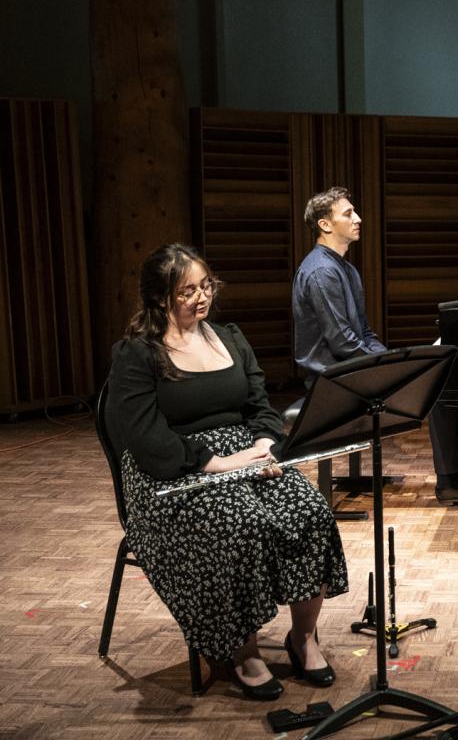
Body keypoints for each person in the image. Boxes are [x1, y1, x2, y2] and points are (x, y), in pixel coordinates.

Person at [107, 244, 349, 700]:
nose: (202, 298)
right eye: (188, 291)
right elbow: (142, 436)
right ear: (161, 299)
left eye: (206, 286)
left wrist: (264, 444)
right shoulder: (137, 353)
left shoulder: (229, 337)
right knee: (241, 527)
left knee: (310, 511)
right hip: (173, 472)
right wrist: (216, 461)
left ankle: (303, 636)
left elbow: (260, 406)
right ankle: (243, 651)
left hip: (247, 455)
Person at [291, 187, 458, 505]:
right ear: (325, 225)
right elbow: (343, 343)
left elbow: (363, 333)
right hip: (330, 379)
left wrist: (394, 360)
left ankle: (454, 474)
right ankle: (449, 480)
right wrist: (398, 367)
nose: (358, 218)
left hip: (346, 367)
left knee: (435, 373)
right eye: (348, 213)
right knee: (438, 384)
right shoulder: (322, 272)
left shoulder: (345, 269)